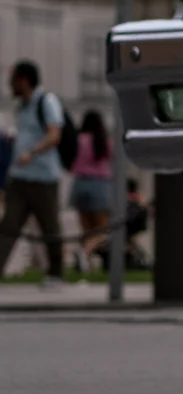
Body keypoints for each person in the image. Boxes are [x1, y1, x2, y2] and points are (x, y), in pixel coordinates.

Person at [2, 61, 68, 290]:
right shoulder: (22, 106)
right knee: (8, 227)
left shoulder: (46, 101)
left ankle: (56, 274)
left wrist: (32, 152)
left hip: (44, 178)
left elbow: (54, 135)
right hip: (19, 177)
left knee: (50, 228)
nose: (10, 85)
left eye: (13, 80)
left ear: (24, 80)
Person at [65, 112, 116, 275]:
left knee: (86, 229)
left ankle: (84, 261)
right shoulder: (104, 141)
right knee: (102, 229)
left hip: (80, 183)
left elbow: (70, 159)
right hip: (99, 184)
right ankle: (84, 253)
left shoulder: (79, 140)